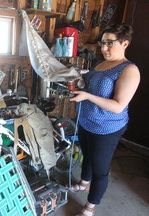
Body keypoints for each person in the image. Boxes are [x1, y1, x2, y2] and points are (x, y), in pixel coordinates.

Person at [69, 24, 140, 216]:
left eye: (110, 43)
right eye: (103, 43)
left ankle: (90, 207)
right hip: (86, 121)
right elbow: (92, 87)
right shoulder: (100, 64)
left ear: (125, 43)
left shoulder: (129, 70)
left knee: (100, 169)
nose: (104, 48)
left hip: (106, 127)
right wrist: (80, 85)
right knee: (87, 155)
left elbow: (118, 106)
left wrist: (87, 96)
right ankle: (84, 184)